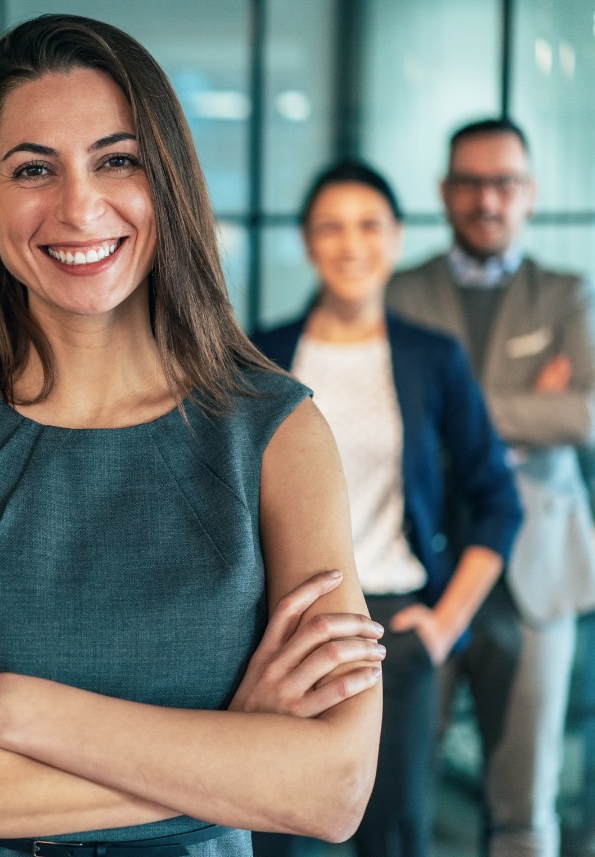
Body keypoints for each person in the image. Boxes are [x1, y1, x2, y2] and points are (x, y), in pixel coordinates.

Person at [0, 15, 386, 857]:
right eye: (33, 169)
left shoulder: (277, 432)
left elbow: (332, 790)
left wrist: (16, 710)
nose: (79, 208)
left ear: (168, 181)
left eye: (117, 160)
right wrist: (228, 753)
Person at [251, 161, 522, 857]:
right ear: (307, 242)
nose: (351, 244)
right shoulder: (260, 355)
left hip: (392, 634)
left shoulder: (432, 357)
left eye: (369, 225)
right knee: (272, 834)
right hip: (283, 633)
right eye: (331, 227)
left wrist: (443, 626)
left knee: (394, 838)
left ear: (397, 238)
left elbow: (498, 499)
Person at [387, 118, 595, 857]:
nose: (487, 199)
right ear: (445, 192)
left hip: (537, 571)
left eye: (504, 183)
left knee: (525, 803)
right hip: (423, 565)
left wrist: (457, 409)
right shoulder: (400, 292)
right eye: (471, 183)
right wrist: (526, 407)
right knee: (400, 790)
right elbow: (387, 416)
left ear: (529, 193)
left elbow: (585, 412)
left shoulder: (566, 293)